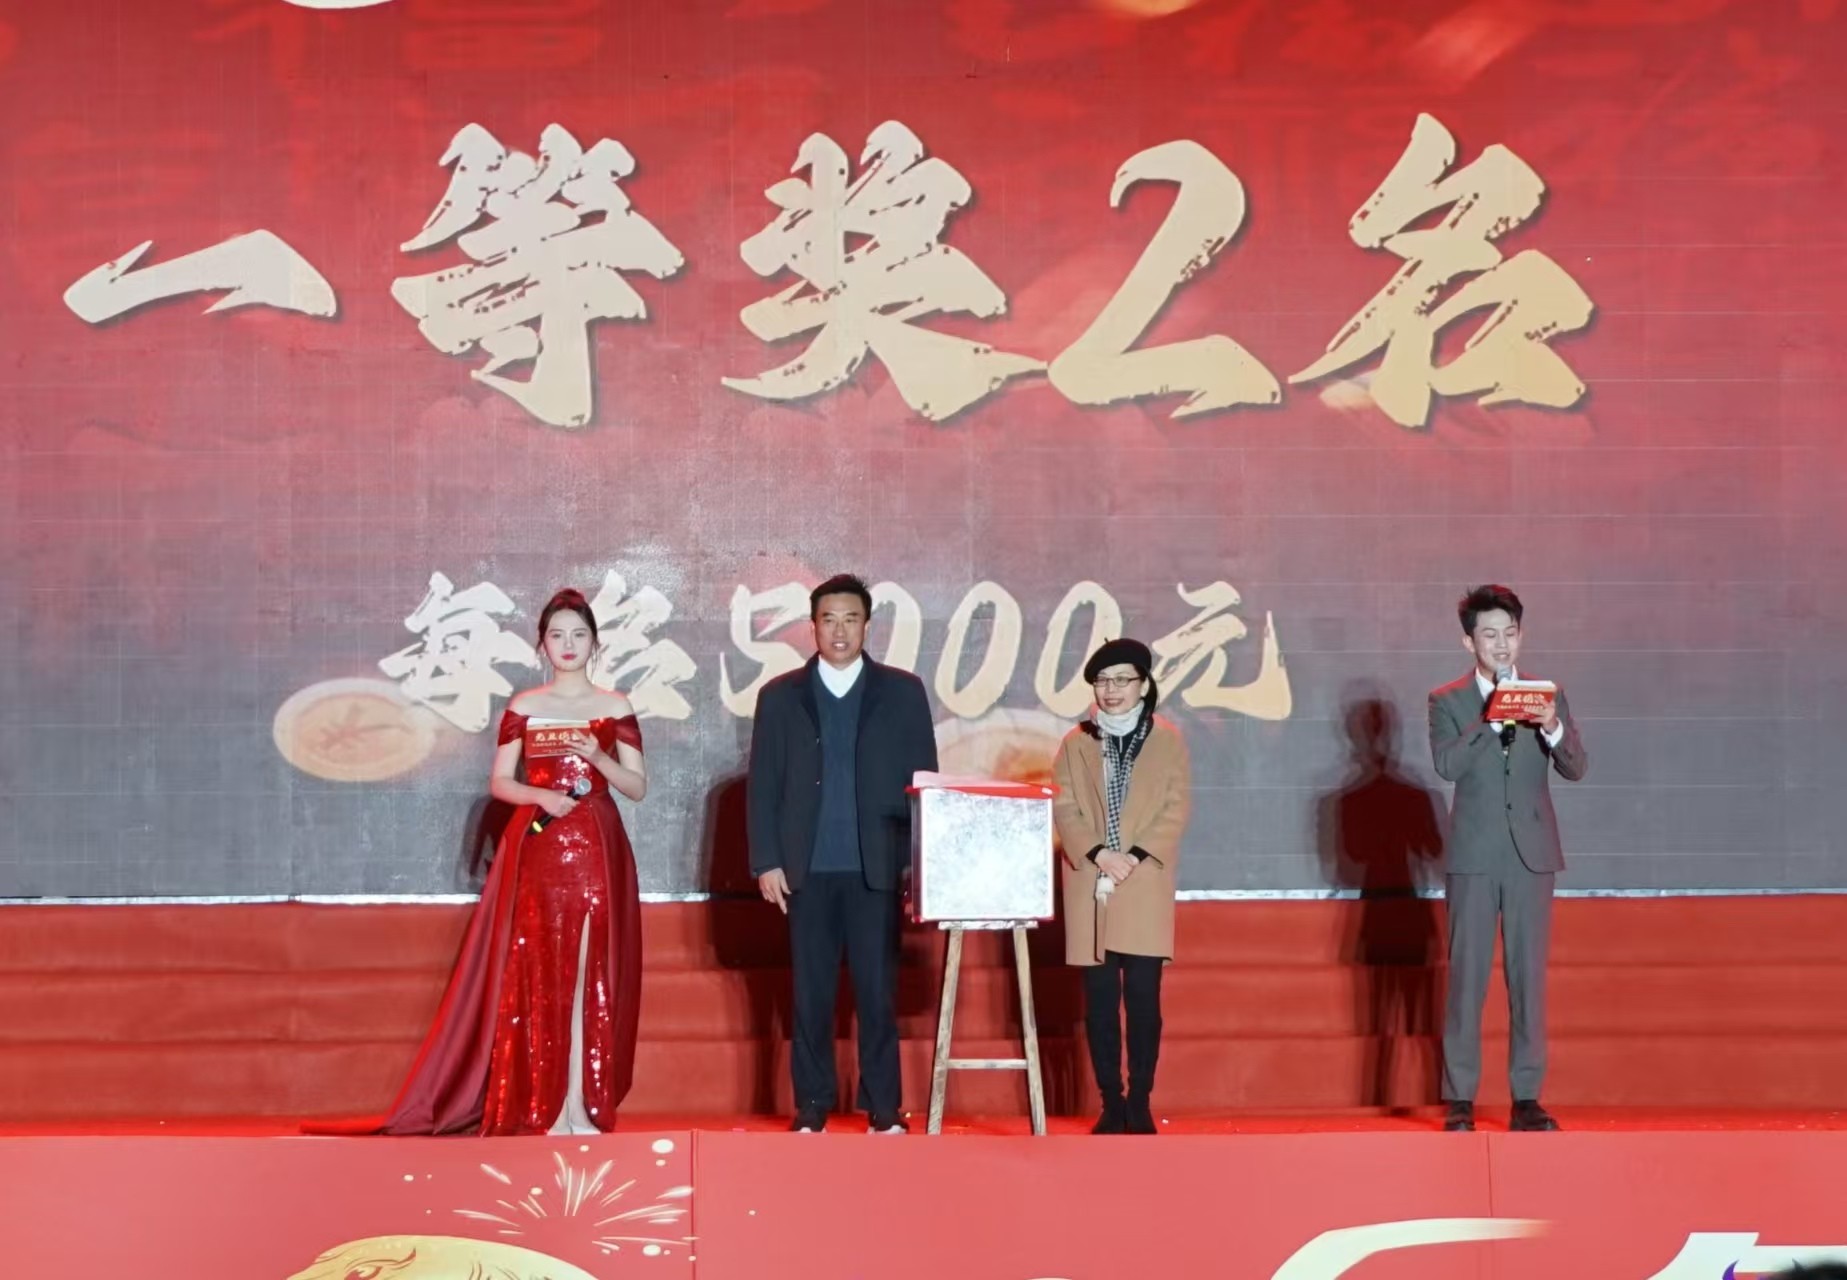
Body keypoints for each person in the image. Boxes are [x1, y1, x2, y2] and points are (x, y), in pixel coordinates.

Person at [379, 587, 647, 1135]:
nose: (568, 645)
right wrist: (541, 796)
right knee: (539, 972)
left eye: (579, 635)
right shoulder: (525, 705)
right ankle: (543, 1106)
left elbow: (637, 786)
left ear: (595, 643)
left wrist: (598, 757)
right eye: (557, 635)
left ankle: (582, 1105)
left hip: (596, 847)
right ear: (541, 644)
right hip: (539, 848)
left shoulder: (614, 705)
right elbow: (501, 782)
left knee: (588, 975)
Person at [748, 573, 939, 1133]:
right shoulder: (780, 697)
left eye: (850, 619)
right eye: (828, 619)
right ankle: (812, 1105)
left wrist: (918, 864)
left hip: (876, 866)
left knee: (878, 994)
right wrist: (766, 860)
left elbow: (924, 781)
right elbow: (764, 785)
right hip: (805, 867)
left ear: (867, 626)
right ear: (812, 626)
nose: (839, 630)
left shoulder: (902, 692)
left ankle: (883, 1107)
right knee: (811, 995)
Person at [1429, 585, 1587, 1133]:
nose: (1501, 644)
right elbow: (1446, 765)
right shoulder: (1447, 701)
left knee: (1528, 979)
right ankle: (1460, 1098)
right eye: (1490, 635)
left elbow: (1576, 767)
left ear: (1521, 635)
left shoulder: (1547, 695)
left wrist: (1552, 727)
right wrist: (1491, 719)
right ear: (1468, 641)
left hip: (1531, 855)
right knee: (1467, 979)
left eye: (1510, 633)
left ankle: (1526, 1098)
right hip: (1474, 855)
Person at [1051, 639, 1191, 1135]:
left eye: (1122, 680)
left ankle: (1141, 1099)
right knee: (1100, 1002)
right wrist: (1098, 853)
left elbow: (1175, 805)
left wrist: (1132, 855)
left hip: (1142, 879)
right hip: (1092, 881)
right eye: (1102, 682)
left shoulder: (1167, 740)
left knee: (1144, 1002)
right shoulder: (1076, 741)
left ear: (1144, 685)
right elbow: (1064, 804)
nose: (1111, 691)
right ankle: (1111, 1102)